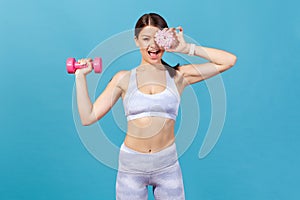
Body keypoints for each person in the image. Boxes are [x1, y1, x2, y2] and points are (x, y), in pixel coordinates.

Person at [74, 13, 237, 200]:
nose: (152, 45)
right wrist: (81, 77)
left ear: (166, 40)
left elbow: (228, 60)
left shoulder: (179, 76)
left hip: (167, 166)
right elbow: (88, 117)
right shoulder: (123, 78)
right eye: (145, 39)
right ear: (136, 41)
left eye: (158, 38)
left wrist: (186, 48)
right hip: (131, 167)